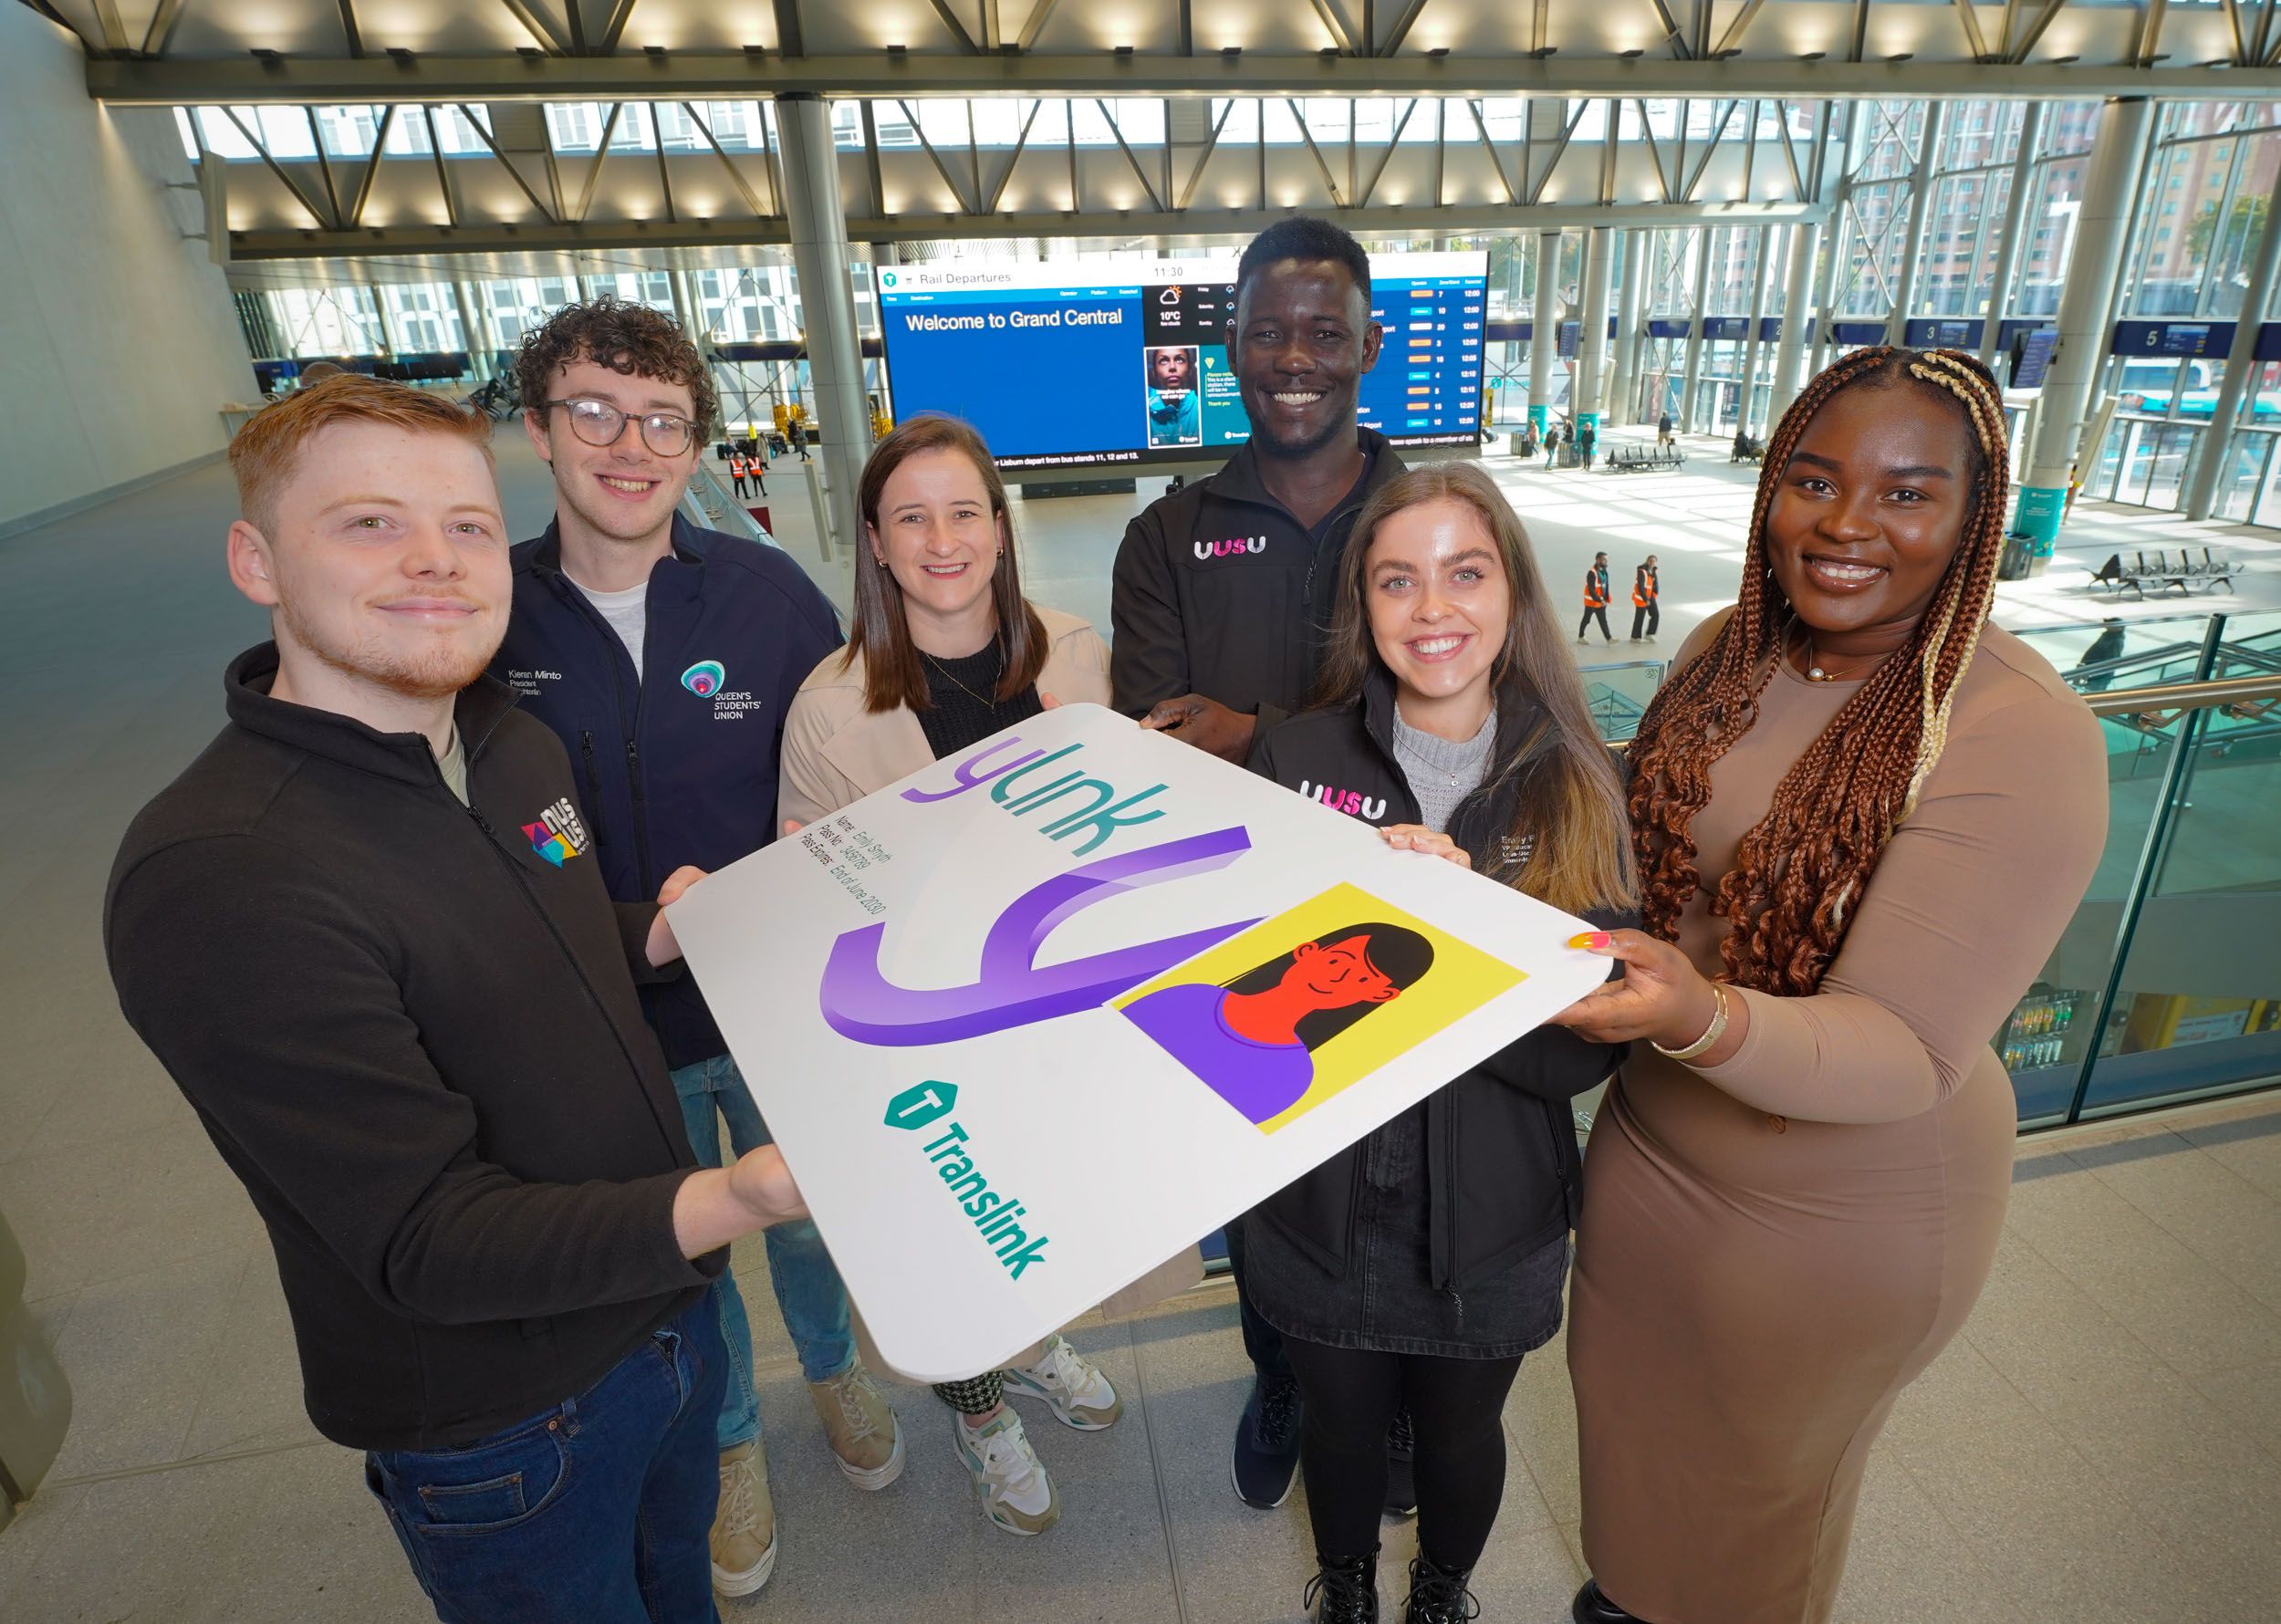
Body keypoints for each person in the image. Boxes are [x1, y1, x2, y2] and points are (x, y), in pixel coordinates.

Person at [105, 374, 811, 1624]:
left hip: (666, 1314)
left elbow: (541, 928)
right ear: (255, 561)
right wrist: (739, 1194)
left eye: (468, 526)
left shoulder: (503, 745)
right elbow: (422, 1238)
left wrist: (659, 932)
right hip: (511, 1424)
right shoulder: (223, 877)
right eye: (370, 522)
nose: (435, 560)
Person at [1550, 348, 2109, 1624]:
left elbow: (1908, 1048)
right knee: (1634, 1501)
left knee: (1753, 1537)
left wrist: (1695, 1013)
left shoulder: (2019, 733)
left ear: (1975, 519)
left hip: (1837, 1220)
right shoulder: (1726, 647)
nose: (1848, 525)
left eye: (1909, 494)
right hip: (1652, 1159)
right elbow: (1640, 833)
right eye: (1814, 479)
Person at [494, 297, 897, 1602]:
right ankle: (727, 1440)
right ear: (540, 428)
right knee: (688, 1244)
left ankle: (832, 1367)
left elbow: (849, 774)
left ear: (696, 443)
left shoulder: (768, 595)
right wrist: (582, 892)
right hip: (610, 1021)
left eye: (662, 418)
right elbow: (478, 816)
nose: (629, 445)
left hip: (776, 1003)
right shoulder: (491, 614)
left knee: (812, 1217)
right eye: (594, 411)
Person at [780, 412, 1196, 1537]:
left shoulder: (1073, 653)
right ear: (873, 540)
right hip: (929, 1019)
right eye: (910, 516)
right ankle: (977, 1409)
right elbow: (811, 893)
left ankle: (1035, 1340)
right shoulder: (828, 706)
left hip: (1055, 998)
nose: (942, 538)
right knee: (950, 1224)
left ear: (999, 527)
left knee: (1038, 1207)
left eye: (965, 510)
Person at [1245, 462, 1635, 1624]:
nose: (1432, 611)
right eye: (1396, 581)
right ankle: (1349, 1586)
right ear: (1361, 607)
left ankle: (1443, 1593)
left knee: (1463, 1431)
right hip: (1316, 1200)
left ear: (1512, 591)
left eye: (1465, 574)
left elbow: (1580, 1057)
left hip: (1496, 1209)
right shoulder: (1293, 760)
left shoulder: (1578, 785)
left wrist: (1465, 939)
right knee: (1339, 1421)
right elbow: (1241, 1009)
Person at [1108, 214, 1410, 1515]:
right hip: (1237, 929)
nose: (1297, 358)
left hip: (1405, 912)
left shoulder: (1434, 521)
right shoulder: (1167, 537)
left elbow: (1465, 722)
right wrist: (1317, 744)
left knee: (1402, 1183)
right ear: (1230, 346)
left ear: (1370, 348)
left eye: (1325, 334)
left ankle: (1401, 1402)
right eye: (1270, 331)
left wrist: (1259, 735)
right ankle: (1279, 1370)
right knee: (1268, 1193)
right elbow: (1167, 753)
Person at [1147, 345, 1203, 447]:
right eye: (1163, 361)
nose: (1172, 367)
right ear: (1154, 372)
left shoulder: (1202, 406)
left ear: (1190, 370)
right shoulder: (1145, 409)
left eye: (1179, 360)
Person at [1577, 551, 1612, 643]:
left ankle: (1609, 638)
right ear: (1597, 560)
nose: (1606, 561)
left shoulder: (1604, 572)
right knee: (1586, 619)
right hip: (1592, 603)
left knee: (1603, 620)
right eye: (1604, 559)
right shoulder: (1592, 573)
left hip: (1600, 602)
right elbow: (1591, 591)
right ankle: (1581, 636)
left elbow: (1605, 586)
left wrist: (1606, 598)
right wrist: (1600, 599)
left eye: (1606, 560)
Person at [1628, 556, 1659, 642]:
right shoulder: (1642, 572)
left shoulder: (1653, 571)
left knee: (1655, 614)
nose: (1652, 563)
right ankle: (1634, 637)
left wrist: (1654, 594)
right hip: (1642, 598)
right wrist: (1646, 599)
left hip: (1650, 596)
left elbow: (1653, 584)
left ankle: (1649, 634)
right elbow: (1640, 587)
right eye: (1651, 561)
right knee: (1639, 617)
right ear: (1647, 561)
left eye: (1654, 561)